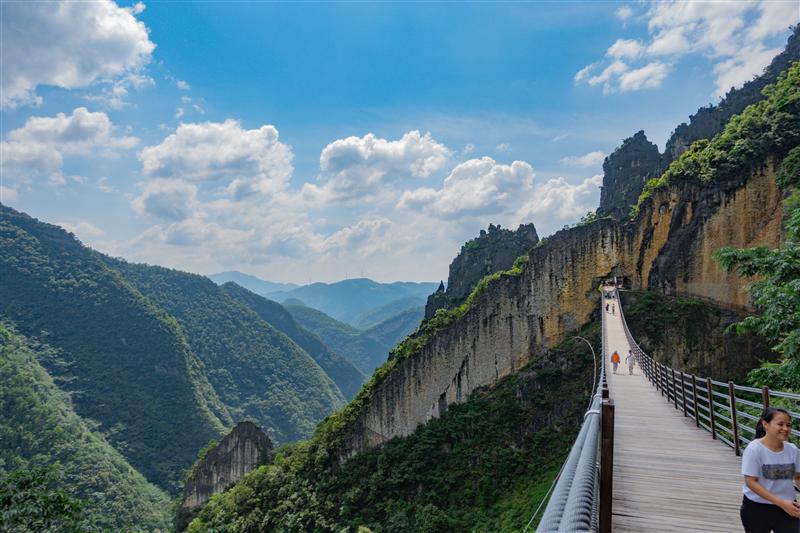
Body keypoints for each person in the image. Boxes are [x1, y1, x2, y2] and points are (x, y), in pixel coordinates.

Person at [740, 407, 800, 533]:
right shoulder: (754, 450)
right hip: (757, 508)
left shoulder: (793, 450)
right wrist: (781, 503)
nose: (785, 429)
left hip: (789, 507)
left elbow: (798, 477)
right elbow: (751, 482)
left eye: (788, 425)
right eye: (780, 424)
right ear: (765, 424)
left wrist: (786, 505)